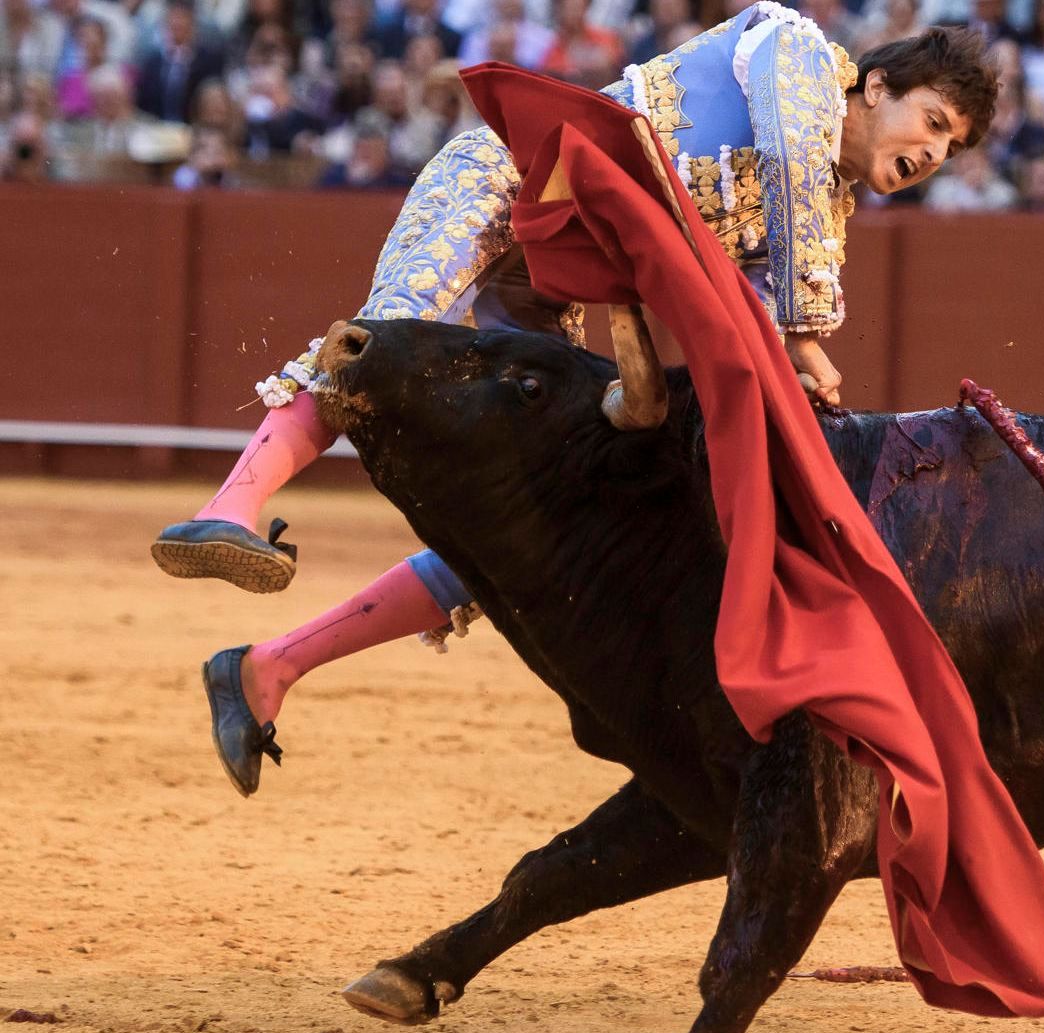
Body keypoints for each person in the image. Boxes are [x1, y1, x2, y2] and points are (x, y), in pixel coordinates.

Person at [149, 7, 993, 797]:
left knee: (540, 507)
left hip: (565, 268)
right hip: (506, 179)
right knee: (383, 349)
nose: (934, 156)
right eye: (935, 123)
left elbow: (737, 324)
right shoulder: (797, 47)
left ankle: (269, 667)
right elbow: (784, 163)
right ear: (877, 86)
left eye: (951, 149)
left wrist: (787, 372)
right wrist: (808, 332)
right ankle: (233, 506)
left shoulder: (823, 216)